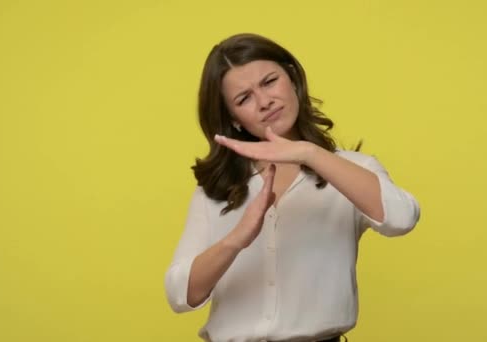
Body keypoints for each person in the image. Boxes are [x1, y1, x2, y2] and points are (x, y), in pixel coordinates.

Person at [165, 33, 420, 342]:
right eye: (244, 98)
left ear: (293, 79)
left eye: (270, 82)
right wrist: (235, 240)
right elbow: (179, 294)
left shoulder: (353, 170)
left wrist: (307, 152)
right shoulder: (217, 189)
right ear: (234, 120)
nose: (264, 102)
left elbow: (402, 218)